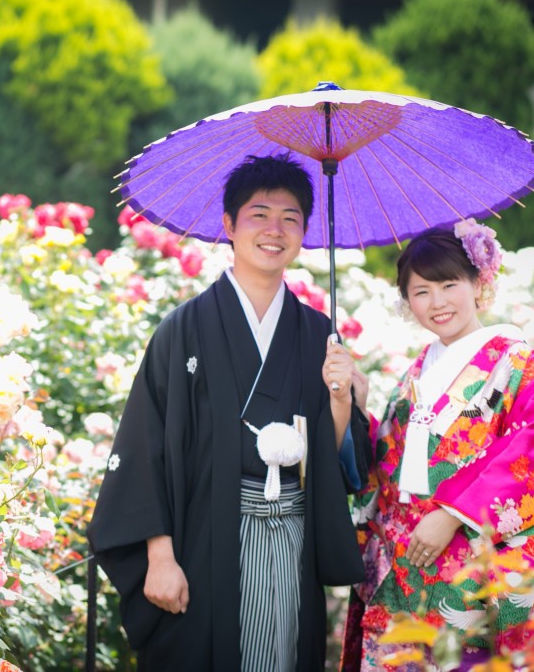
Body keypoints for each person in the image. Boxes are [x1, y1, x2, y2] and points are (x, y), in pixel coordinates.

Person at [87, 153, 371, 671]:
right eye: (258, 214)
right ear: (229, 226)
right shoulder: (183, 329)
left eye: (290, 218)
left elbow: (329, 461)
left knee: (283, 655)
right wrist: (159, 555)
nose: (274, 229)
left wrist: (340, 400)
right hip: (202, 537)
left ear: (305, 233)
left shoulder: (316, 334)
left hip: (291, 538)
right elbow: (146, 446)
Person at [340, 222, 534, 671]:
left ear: (478, 284)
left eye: (450, 285)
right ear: (407, 301)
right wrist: (356, 406)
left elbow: (533, 451)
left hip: (469, 558)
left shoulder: (512, 359)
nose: (437, 302)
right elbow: (390, 460)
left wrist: (451, 515)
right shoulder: (418, 369)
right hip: (408, 558)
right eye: (421, 291)